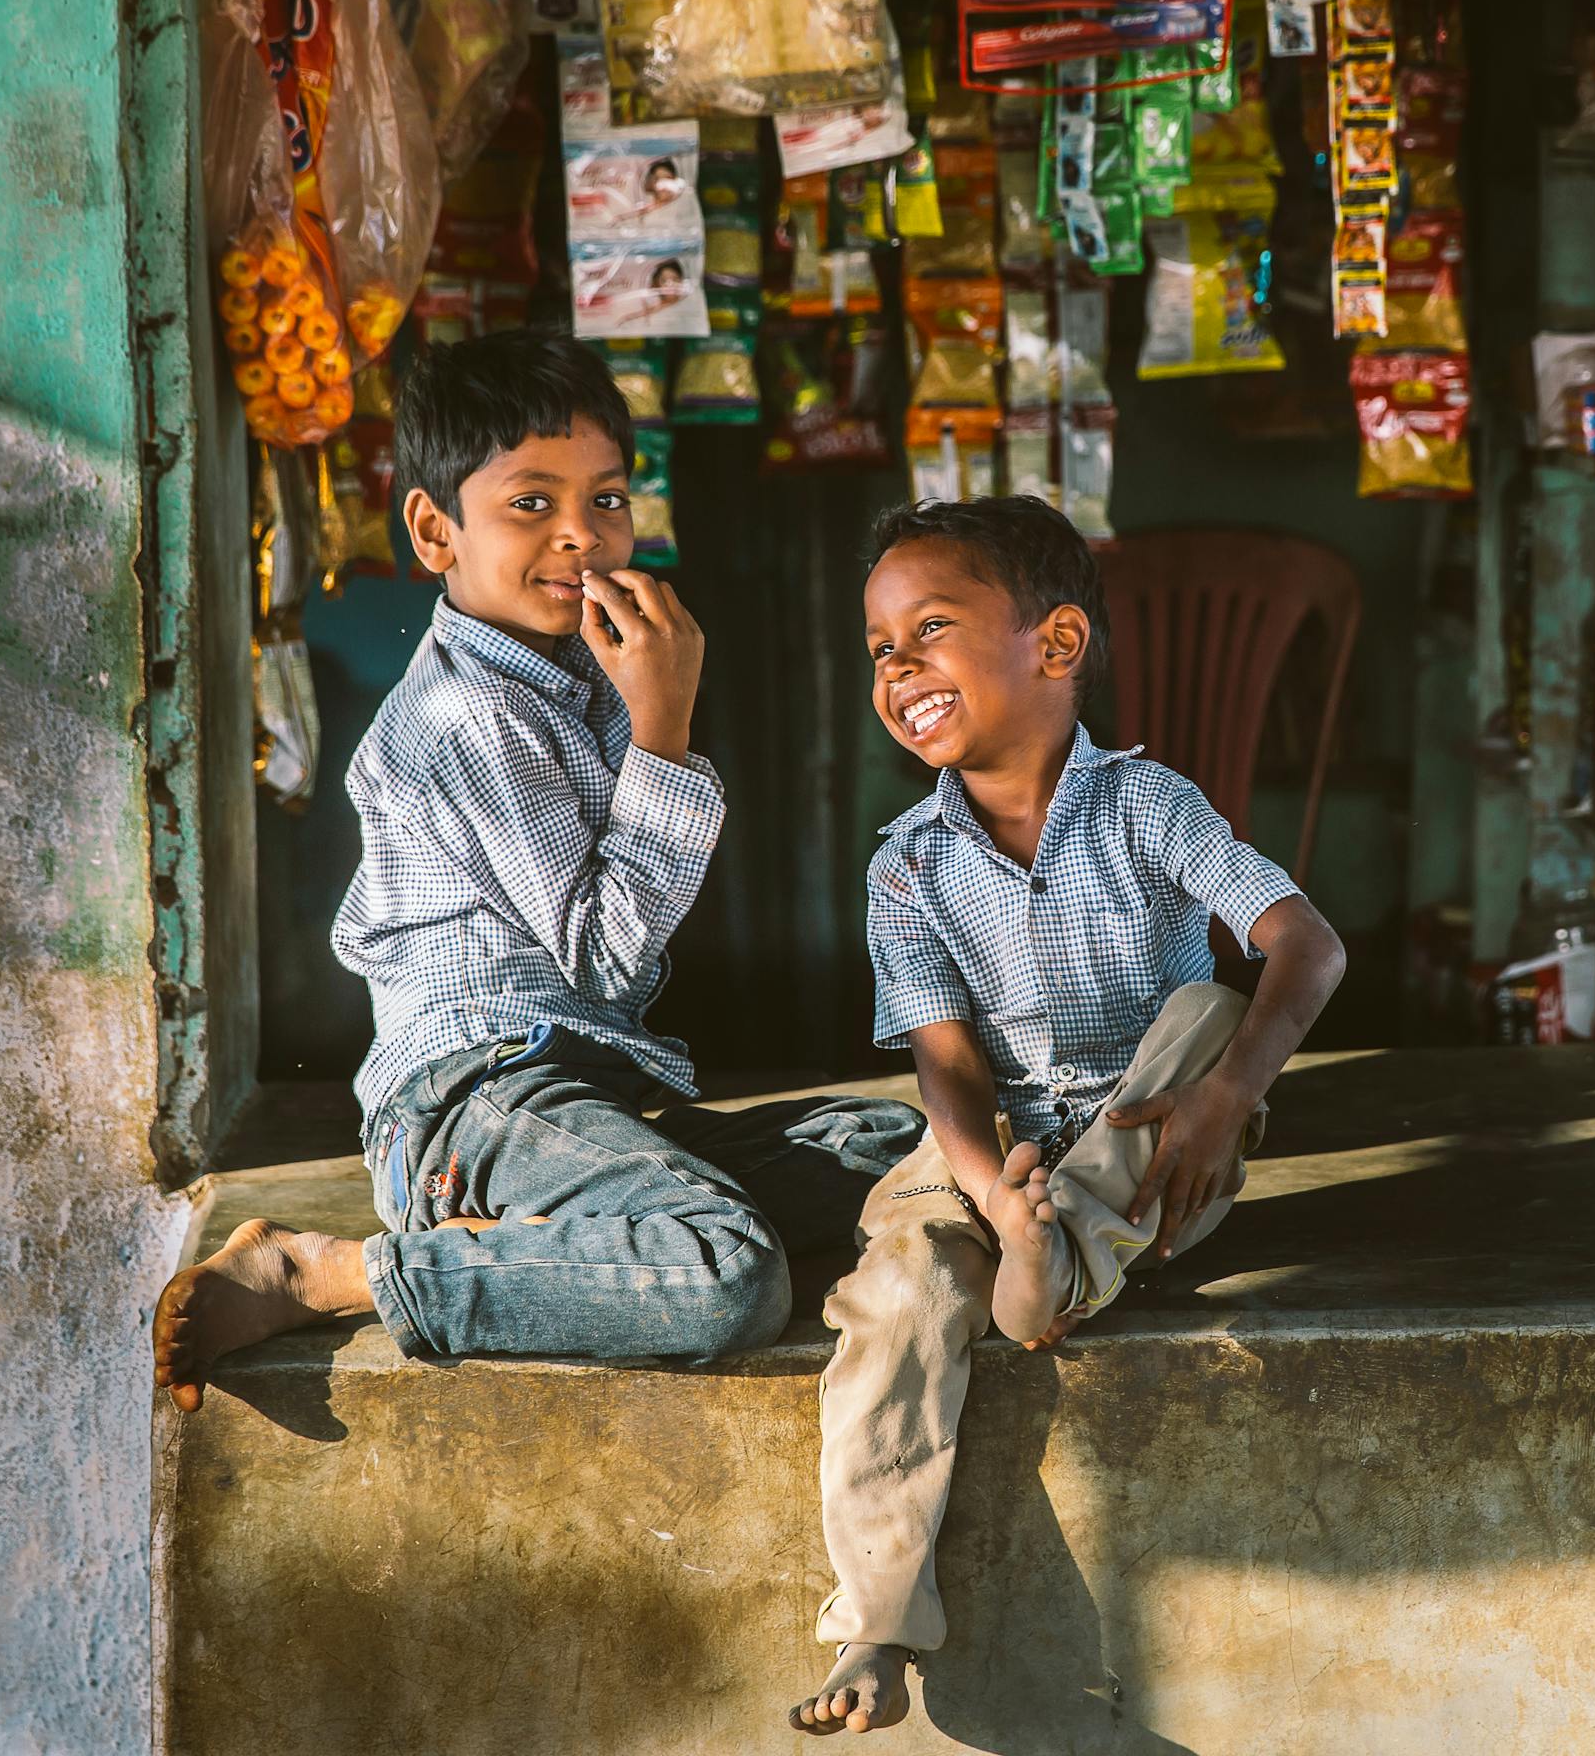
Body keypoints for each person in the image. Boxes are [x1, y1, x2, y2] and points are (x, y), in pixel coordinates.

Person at [153, 330, 920, 1410]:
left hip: (574, 1093)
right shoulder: (466, 714)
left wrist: (642, 710)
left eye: (607, 499)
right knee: (729, 1274)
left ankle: (549, 1240)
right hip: (472, 1106)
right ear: (433, 529)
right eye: (531, 504)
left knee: (904, 1144)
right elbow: (605, 958)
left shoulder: (578, 671)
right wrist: (663, 725)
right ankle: (329, 1271)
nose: (580, 534)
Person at [792, 496, 1346, 1736]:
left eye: (929, 630)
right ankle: (875, 1622)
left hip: (1153, 1131)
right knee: (900, 1287)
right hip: (1004, 1158)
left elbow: (1304, 944)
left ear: (1054, 645)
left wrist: (1227, 1093)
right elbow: (944, 1062)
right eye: (880, 647)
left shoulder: (1148, 806)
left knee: (1207, 1000)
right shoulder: (906, 864)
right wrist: (986, 1189)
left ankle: (1050, 1269)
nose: (897, 669)